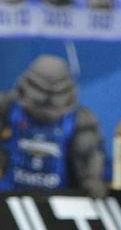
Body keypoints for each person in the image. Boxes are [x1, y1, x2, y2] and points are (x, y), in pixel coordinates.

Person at [0, 55, 106, 197]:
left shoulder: (80, 120)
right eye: (40, 92)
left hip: (59, 198)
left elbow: (88, 156)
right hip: (7, 196)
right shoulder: (7, 107)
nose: (45, 100)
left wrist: (92, 180)